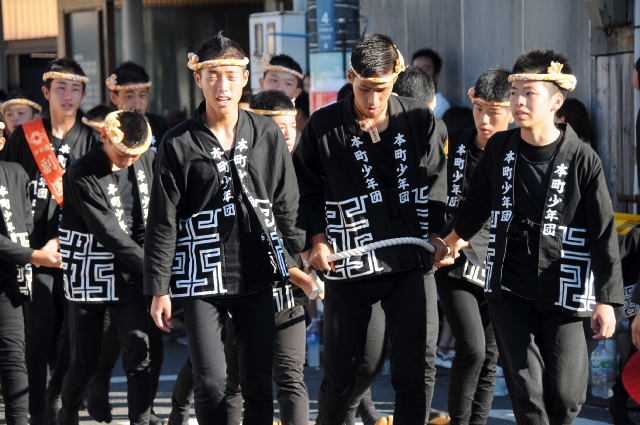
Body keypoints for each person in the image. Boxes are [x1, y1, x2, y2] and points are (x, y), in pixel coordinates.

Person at [441, 49, 624, 425]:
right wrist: (452, 241)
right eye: (515, 93)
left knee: (566, 395)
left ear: (556, 101)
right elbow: (475, 207)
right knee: (527, 390)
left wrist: (607, 301)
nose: (519, 102)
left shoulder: (582, 159)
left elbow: (604, 234)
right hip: (509, 284)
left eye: (529, 93)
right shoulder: (500, 149)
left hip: (565, 286)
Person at [144, 32, 306, 425]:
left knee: (257, 383)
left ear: (245, 78)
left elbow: (287, 204)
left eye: (232, 75)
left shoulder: (266, 133)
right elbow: (163, 219)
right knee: (211, 382)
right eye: (213, 75)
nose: (223, 86)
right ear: (198, 78)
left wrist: (298, 261)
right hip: (202, 279)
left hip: (258, 272)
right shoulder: (178, 142)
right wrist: (159, 287)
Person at [294, 33, 448, 425]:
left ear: (396, 78)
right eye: (364, 89)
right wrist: (316, 239)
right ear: (351, 77)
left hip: (410, 260)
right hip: (351, 263)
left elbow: (436, 180)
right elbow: (305, 189)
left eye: (382, 89)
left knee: (416, 369)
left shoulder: (419, 117)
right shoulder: (324, 125)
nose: (373, 100)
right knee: (352, 371)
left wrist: (438, 233)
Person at [3, 57, 100, 425]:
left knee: (78, 338)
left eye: (75, 89)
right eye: (61, 88)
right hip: (35, 252)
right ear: (46, 92)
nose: (68, 96)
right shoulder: (25, 136)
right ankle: (39, 413)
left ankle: (59, 393)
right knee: (39, 332)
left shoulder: (93, 138)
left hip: (80, 251)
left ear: (85, 94)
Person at [57, 110, 154, 425]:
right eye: (123, 153)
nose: (130, 160)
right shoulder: (80, 172)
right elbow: (108, 231)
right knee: (84, 364)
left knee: (139, 357)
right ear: (104, 138)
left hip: (133, 271)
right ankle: (67, 412)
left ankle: (141, 420)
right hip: (91, 271)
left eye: (135, 154)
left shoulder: (146, 160)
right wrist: (154, 269)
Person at [436, 66, 513, 425]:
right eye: (478, 109)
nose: (484, 120)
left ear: (512, 110)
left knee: (491, 355)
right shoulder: (451, 143)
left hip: (501, 265)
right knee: (472, 347)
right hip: (454, 261)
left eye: (494, 112)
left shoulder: (519, 151)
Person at [0, 123, 64, 425]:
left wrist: (40, 250)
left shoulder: (15, 172)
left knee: (14, 356)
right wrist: (33, 256)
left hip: (8, 280)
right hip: (21, 261)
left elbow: (25, 223)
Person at [107, 61, 170, 153]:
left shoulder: (160, 125)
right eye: (130, 96)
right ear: (114, 98)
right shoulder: (106, 129)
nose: (137, 103)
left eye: (142, 95)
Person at [411, 48, 450, 118]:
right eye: (416, 69)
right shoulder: (407, 101)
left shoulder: (441, 105)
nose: (420, 73)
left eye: (426, 70)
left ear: (436, 76)